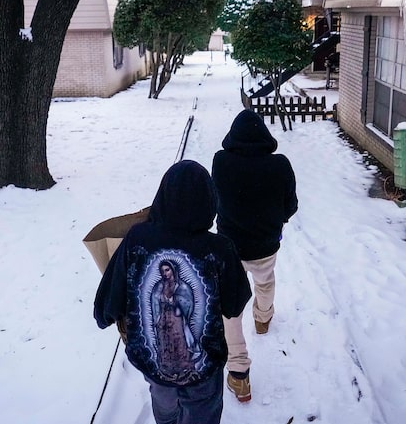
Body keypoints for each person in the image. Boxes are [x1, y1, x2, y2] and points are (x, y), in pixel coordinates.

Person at [94, 160, 251, 424]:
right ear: (209, 201)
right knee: (202, 412)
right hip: (203, 367)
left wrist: (105, 315)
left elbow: (112, 292)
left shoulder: (138, 238)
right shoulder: (219, 248)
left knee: (163, 401)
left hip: (152, 363)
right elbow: (235, 303)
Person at [211, 109, 298, 403]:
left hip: (229, 249)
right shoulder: (280, 165)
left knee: (230, 305)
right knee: (265, 281)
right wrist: (273, 221)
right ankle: (263, 317)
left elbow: (215, 201)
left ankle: (239, 375)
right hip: (265, 245)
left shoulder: (221, 162)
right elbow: (291, 206)